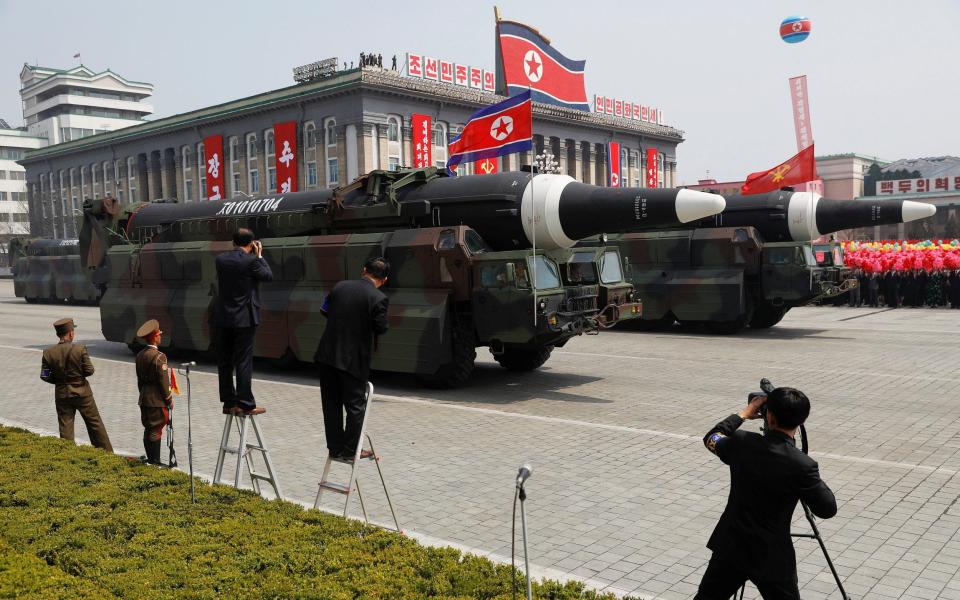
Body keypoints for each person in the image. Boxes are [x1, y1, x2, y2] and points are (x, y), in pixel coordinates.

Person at [694, 387, 837, 600]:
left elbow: (712, 438)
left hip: (732, 547)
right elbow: (827, 509)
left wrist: (743, 413)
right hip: (772, 556)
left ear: (768, 415)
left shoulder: (742, 442)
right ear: (801, 421)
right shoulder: (802, 465)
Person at [316, 257, 390, 459]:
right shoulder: (378, 298)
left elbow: (324, 310)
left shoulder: (339, 287)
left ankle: (335, 448)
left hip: (327, 355)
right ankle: (351, 450)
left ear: (363, 270)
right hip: (352, 360)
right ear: (384, 280)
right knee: (355, 406)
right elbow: (381, 328)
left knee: (330, 404)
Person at [213, 228, 273, 415]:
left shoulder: (220, 260)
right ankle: (245, 403)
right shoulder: (252, 261)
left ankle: (228, 402)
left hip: (223, 317)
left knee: (224, 361)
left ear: (233, 242)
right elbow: (268, 276)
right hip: (245, 319)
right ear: (252, 243)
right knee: (243, 361)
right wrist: (260, 255)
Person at [40, 318, 113, 452]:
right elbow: (89, 370)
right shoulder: (80, 349)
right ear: (71, 333)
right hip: (83, 393)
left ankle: (68, 455)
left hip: (62, 393)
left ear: (58, 334)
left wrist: (60, 382)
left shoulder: (48, 353)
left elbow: (44, 375)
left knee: (65, 425)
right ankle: (106, 453)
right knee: (94, 423)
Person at [135, 319, 173, 465]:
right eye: (159, 335)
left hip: (144, 398)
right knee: (155, 430)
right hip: (156, 400)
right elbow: (163, 382)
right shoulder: (159, 357)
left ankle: (151, 459)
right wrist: (169, 399)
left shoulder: (140, 355)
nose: (160, 337)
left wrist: (143, 394)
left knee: (148, 429)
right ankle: (155, 461)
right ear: (155, 337)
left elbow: (139, 380)